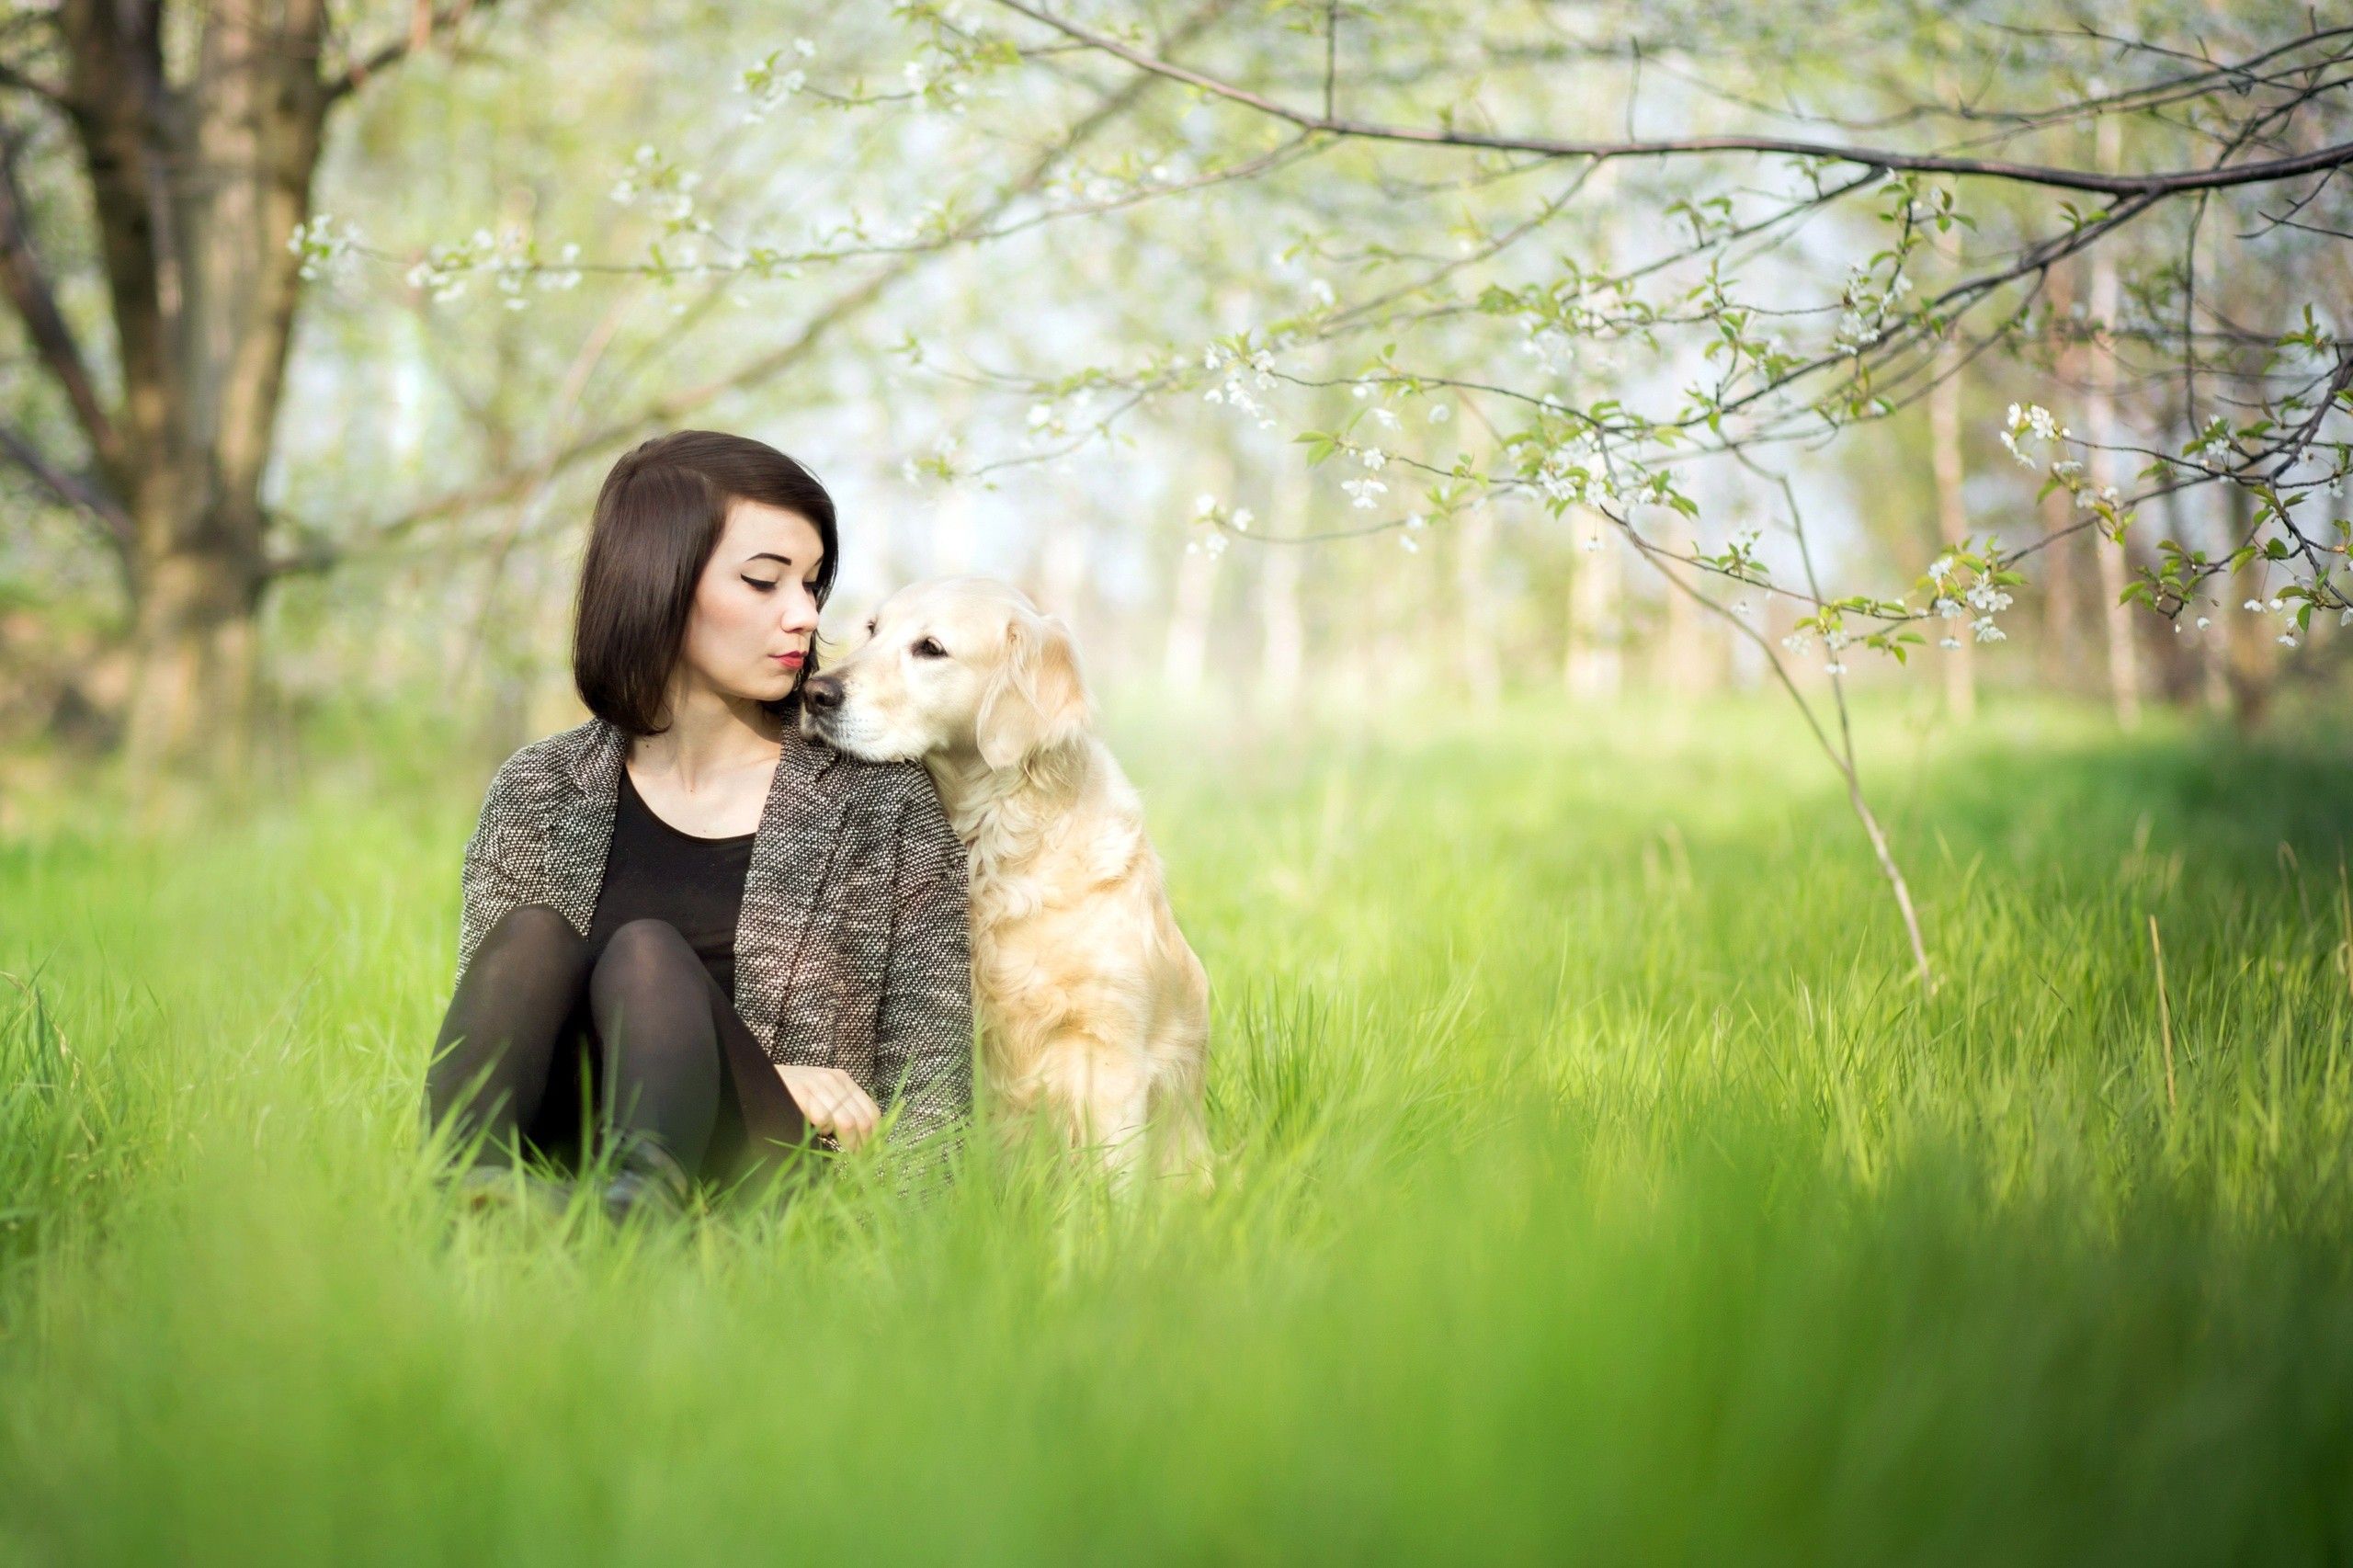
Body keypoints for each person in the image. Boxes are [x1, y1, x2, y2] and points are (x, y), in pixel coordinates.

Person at [422, 430, 973, 1220]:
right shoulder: (538, 791)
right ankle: (461, 1210)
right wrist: (779, 1073)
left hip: (760, 1188)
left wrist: (901, 1259)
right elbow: (498, 1046)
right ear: (659, 583)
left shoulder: (879, 800)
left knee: (647, 954)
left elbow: (935, 1080)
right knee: (531, 939)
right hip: (560, 1155)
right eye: (763, 582)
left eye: (813, 584)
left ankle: (638, 1219)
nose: (805, 615)